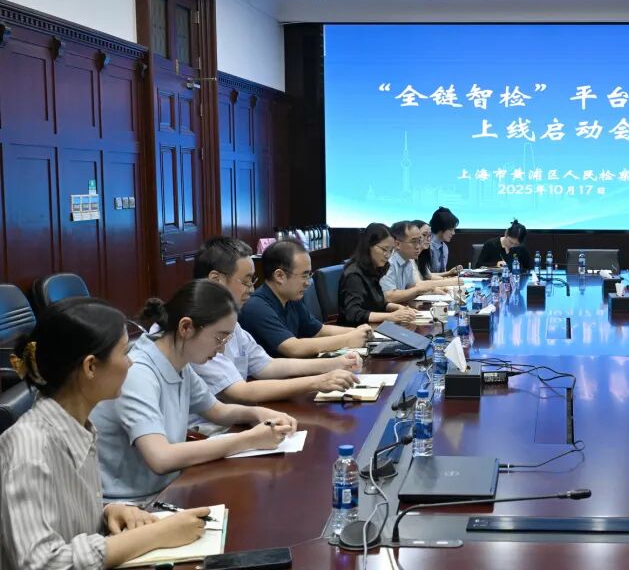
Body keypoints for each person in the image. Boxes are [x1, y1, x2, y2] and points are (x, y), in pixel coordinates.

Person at [0, 298, 210, 569]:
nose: (130, 363)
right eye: (124, 352)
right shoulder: (29, 449)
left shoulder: (79, 426)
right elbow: (41, 563)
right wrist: (156, 534)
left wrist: (108, 511)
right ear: (90, 367)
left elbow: (62, 517)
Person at [92, 280, 298, 502]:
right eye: (219, 338)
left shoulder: (178, 362)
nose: (221, 349)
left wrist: (258, 414)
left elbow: (217, 410)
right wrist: (249, 439)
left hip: (169, 489)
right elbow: (161, 458)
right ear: (186, 327)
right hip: (132, 505)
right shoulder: (139, 373)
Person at [190, 237, 362, 406]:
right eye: (246, 281)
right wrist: (318, 381)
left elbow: (267, 366)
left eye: (252, 281)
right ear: (216, 279)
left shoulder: (233, 324)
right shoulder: (197, 330)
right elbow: (241, 392)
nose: (251, 289)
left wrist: (336, 363)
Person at [239, 239, 372, 358]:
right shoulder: (256, 306)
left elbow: (319, 330)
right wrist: (347, 339)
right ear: (279, 276)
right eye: (304, 275)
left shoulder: (291, 298)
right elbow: (293, 348)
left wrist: (360, 332)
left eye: (309, 275)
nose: (308, 283)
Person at [339, 223, 418, 326]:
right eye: (384, 249)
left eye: (391, 250)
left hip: (373, 325)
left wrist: (398, 308)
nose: (387, 255)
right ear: (369, 246)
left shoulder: (376, 268)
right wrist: (390, 316)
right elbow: (353, 313)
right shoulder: (354, 275)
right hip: (354, 330)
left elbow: (376, 303)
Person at [380, 220, 459, 304]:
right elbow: (389, 296)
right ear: (397, 244)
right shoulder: (388, 262)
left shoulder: (407, 261)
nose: (418, 246)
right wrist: (419, 290)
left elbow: (411, 287)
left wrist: (433, 290)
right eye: (414, 242)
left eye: (419, 241)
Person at [428, 206, 462, 276]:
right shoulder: (426, 246)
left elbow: (443, 273)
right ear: (441, 227)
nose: (453, 233)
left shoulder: (444, 247)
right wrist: (449, 273)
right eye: (450, 229)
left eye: (454, 229)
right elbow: (426, 276)